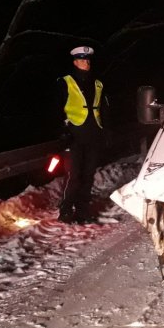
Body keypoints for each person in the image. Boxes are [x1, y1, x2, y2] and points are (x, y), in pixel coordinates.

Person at [57, 45, 109, 223]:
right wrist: (62, 132)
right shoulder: (65, 82)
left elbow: (104, 108)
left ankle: (82, 210)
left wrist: (105, 131)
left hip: (93, 135)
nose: (86, 63)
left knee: (88, 175)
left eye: (87, 60)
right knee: (74, 176)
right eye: (82, 60)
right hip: (74, 136)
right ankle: (65, 210)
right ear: (75, 62)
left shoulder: (98, 83)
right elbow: (55, 110)